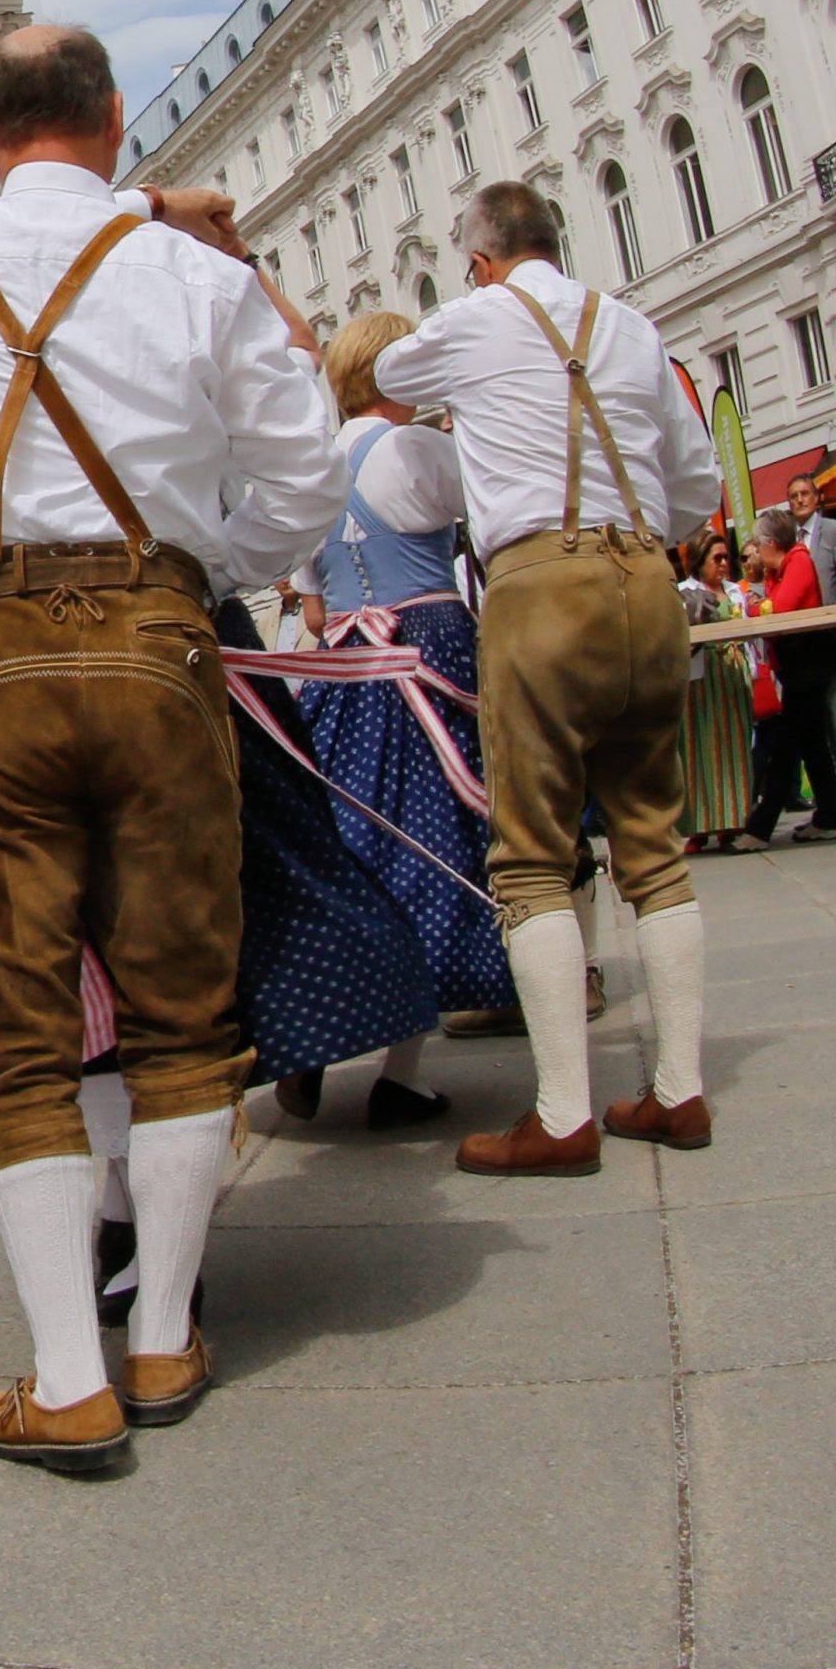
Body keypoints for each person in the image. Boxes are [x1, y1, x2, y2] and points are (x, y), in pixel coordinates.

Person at [0, 23, 341, 1473]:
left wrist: (138, 201)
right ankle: (160, 1334)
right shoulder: (198, 274)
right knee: (177, 1006)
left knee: (22, 1023)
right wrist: (216, 575)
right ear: (109, 117)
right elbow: (300, 474)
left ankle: (63, 1381)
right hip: (161, 637)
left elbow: (46, 210)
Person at [374, 179, 718, 1179]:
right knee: (654, 839)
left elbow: (392, 370)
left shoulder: (475, 314)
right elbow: (693, 481)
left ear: (479, 258)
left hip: (538, 583)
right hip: (646, 575)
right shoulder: (632, 326)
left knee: (529, 855)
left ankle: (562, 1112)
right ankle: (679, 1089)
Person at [286, 312, 505, 1127]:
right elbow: (495, 515)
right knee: (439, 839)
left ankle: (314, 1037)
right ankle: (401, 1074)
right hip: (425, 652)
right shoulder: (416, 450)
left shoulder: (312, 468)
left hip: (344, 670)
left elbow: (311, 613)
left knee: (349, 845)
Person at [742, 508, 836, 844]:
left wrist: (757, 605)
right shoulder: (781, 569)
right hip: (797, 668)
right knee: (812, 744)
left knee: (787, 748)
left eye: (758, 546)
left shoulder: (799, 561)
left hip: (809, 666)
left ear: (771, 543)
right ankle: (829, 815)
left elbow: (780, 608)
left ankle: (761, 828)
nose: (756, 554)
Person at [789, 473, 836, 816]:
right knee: (815, 729)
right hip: (802, 649)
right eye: (793, 495)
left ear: (817, 498)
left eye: (805, 494)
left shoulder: (833, 531)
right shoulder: (788, 538)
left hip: (832, 641)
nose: (800, 500)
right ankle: (828, 799)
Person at [679, 533, 757, 852]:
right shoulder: (684, 593)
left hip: (732, 674)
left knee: (734, 746)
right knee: (699, 748)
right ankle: (699, 827)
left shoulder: (737, 593)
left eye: (727, 558)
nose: (724, 564)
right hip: (700, 676)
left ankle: (732, 822)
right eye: (717, 558)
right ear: (700, 562)